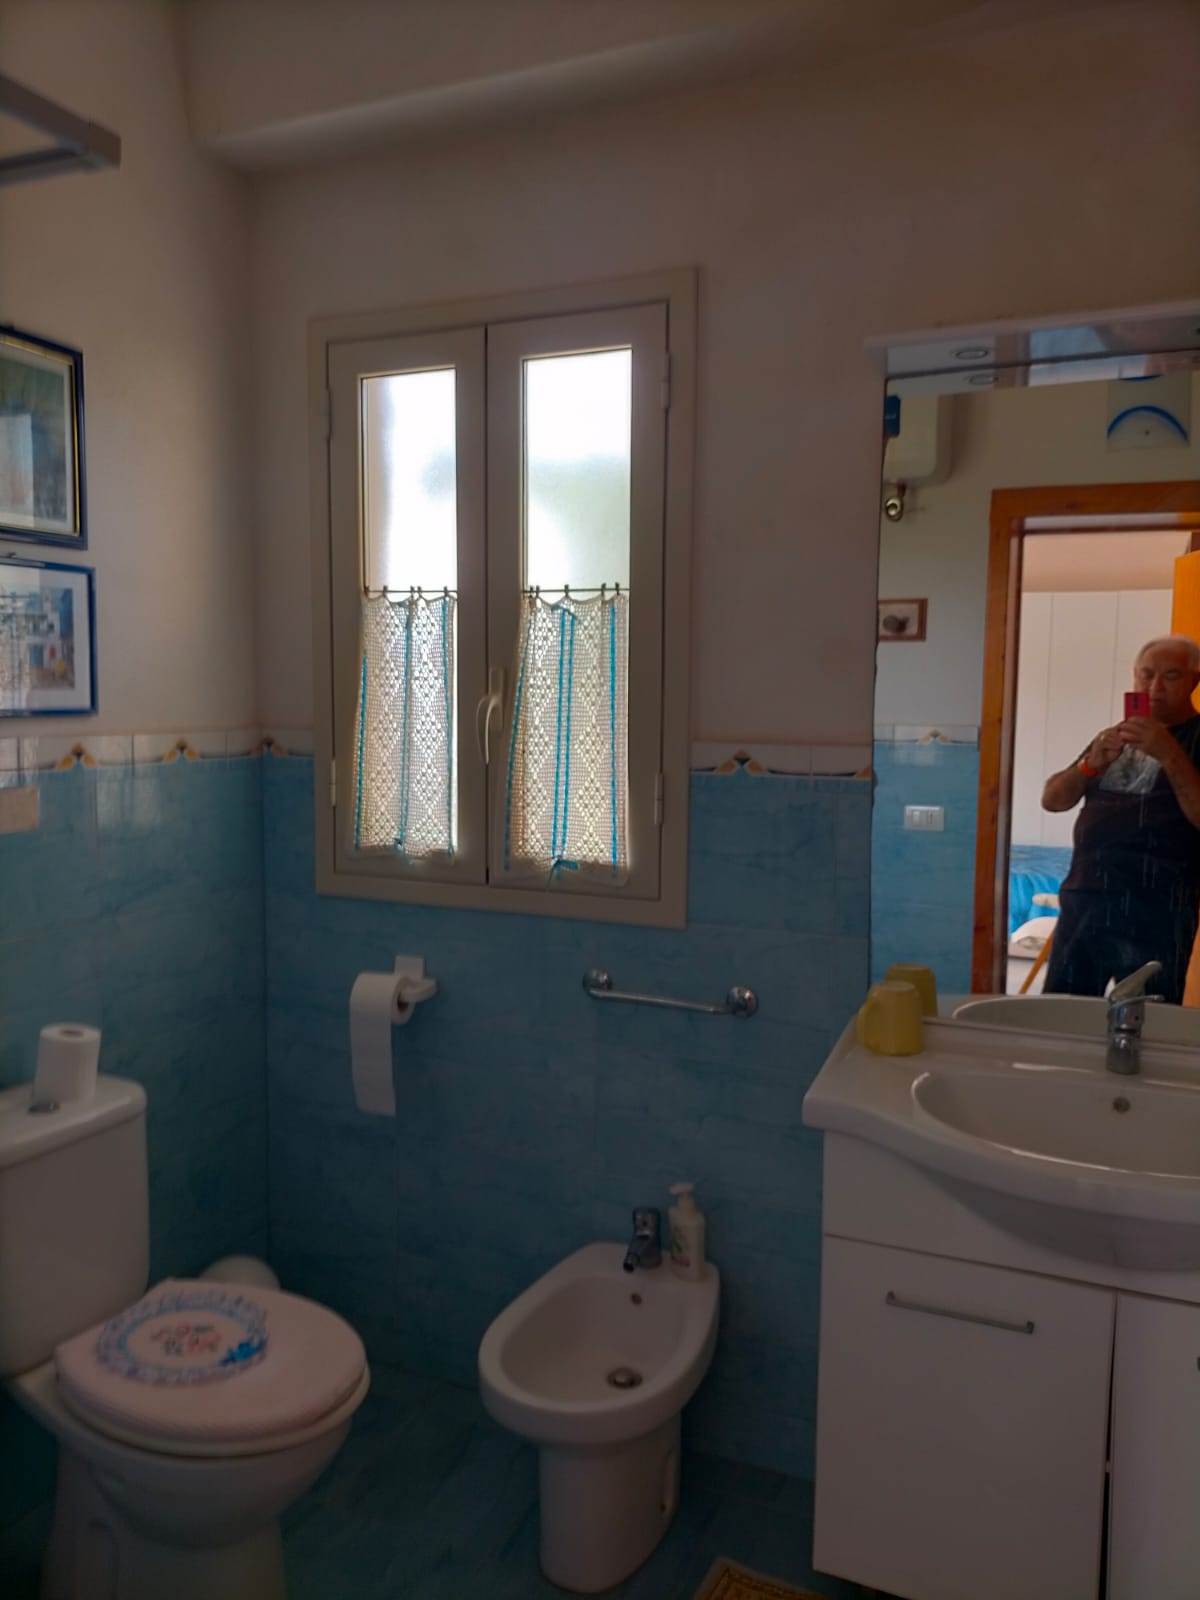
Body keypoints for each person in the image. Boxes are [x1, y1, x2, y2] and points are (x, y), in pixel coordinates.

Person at [1040, 635, 1200, 1004]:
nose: (1155, 688)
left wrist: (1169, 753)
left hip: (1159, 909)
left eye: (1171, 676)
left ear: (1194, 681)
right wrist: (1089, 765)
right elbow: (1053, 801)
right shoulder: (1116, 736)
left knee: (1148, 1019)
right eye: (1146, 675)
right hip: (1086, 897)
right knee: (1061, 1013)